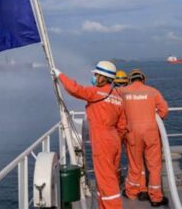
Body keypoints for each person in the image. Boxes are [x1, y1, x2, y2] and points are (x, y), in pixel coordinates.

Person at [52, 61, 127, 209]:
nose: (94, 77)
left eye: (96, 75)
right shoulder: (117, 96)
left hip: (102, 140)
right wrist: (116, 140)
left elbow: (75, 89)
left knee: (107, 180)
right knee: (107, 177)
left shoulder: (95, 93)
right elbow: (123, 126)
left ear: (103, 77)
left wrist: (59, 75)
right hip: (114, 140)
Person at [118, 69, 169, 207]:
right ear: (142, 79)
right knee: (154, 165)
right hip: (151, 133)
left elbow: (117, 111)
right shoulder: (152, 91)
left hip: (132, 133)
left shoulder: (122, 92)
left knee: (135, 164)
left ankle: (134, 191)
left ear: (130, 79)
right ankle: (156, 197)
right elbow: (164, 110)